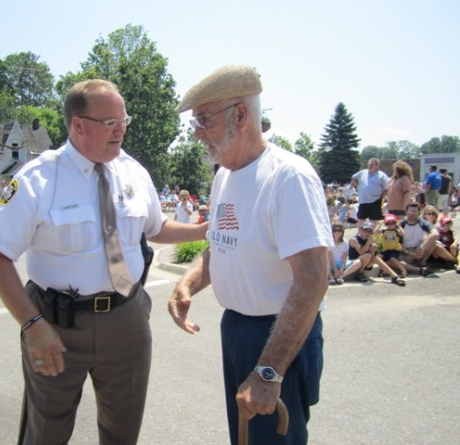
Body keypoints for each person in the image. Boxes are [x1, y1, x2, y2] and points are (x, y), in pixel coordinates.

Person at [0, 79, 207, 445]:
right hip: (56, 324)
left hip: (126, 319)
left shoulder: (133, 171)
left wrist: (203, 230)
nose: (121, 130)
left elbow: (156, 228)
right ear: (78, 125)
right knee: (46, 432)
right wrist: (33, 325)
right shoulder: (39, 178)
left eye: (124, 120)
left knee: (123, 430)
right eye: (110, 122)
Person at [167, 64, 332, 445]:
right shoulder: (225, 175)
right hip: (238, 329)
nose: (196, 133)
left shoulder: (289, 177)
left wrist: (269, 370)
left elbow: (313, 279)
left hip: (278, 337)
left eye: (203, 120)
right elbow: (223, 245)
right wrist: (187, 283)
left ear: (240, 116)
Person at [347, 220, 406, 286]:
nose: (368, 233)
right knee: (367, 256)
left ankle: (394, 276)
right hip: (354, 263)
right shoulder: (354, 240)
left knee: (376, 258)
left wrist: (373, 250)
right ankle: (359, 273)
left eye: (370, 231)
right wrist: (369, 243)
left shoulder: (369, 239)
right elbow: (361, 252)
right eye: (366, 230)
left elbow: (371, 255)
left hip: (364, 262)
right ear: (360, 229)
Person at [399, 203, 439, 276]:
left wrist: (422, 246)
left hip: (418, 249)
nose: (412, 213)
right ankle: (418, 270)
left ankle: (422, 262)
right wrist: (409, 253)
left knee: (433, 243)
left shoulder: (422, 223)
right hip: (405, 251)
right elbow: (398, 244)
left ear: (419, 213)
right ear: (406, 212)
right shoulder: (401, 224)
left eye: (415, 211)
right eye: (410, 211)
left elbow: (436, 234)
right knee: (390, 260)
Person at [351, 158, 389, 226]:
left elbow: (386, 189)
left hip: (375, 202)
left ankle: (374, 233)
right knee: (361, 220)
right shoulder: (362, 172)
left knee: (374, 221)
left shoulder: (382, 175)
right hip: (363, 201)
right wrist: (358, 186)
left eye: (372, 165)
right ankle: (360, 232)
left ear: (377, 166)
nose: (369, 166)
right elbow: (353, 177)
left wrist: (381, 198)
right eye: (369, 164)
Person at [376, 214, 407, 278]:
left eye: (392, 223)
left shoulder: (396, 231)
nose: (390, 225)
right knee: (378, 257)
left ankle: (403, 270)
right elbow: (374, 232)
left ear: (395, 224)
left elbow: (403, 234)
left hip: (394, 249)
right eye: (388, 224)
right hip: (386, 249)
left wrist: (398, 226)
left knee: (393, 258)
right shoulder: (384, 231)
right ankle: (383, 270)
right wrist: (379, 225)